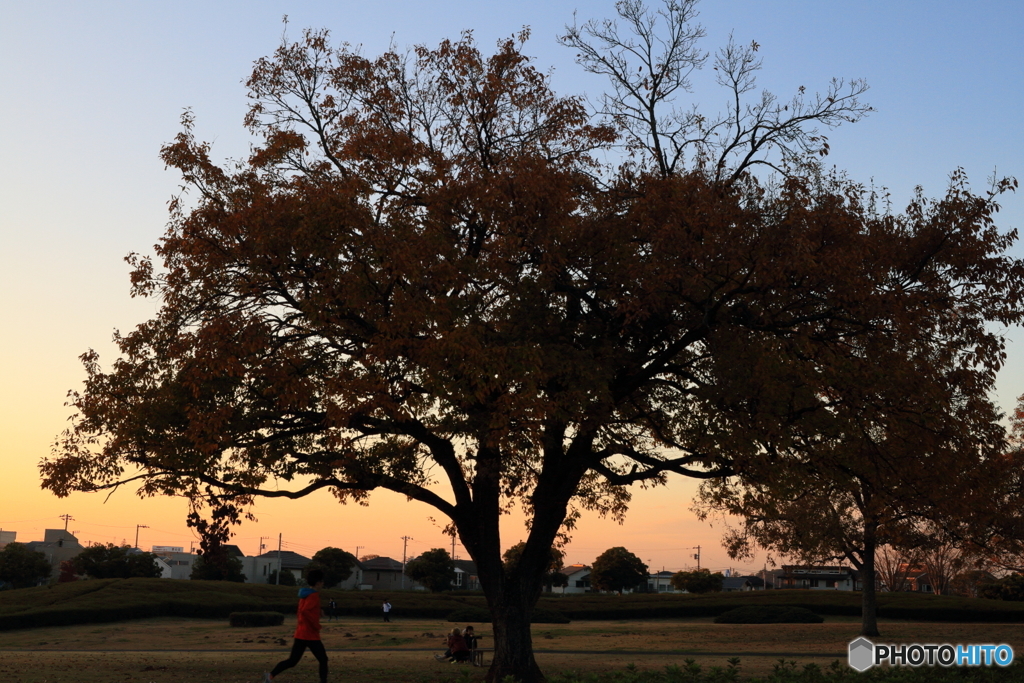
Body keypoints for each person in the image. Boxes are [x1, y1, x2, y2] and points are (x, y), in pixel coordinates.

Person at [264, 569, 328, 683]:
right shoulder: (314, 596)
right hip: (310, 634)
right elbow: (305, 611)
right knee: (323, 659)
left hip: (300, 633)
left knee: (292, 661)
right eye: (322, 581)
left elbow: (302, 611)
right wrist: (316, 625)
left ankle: (271, 675)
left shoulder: (304, 594)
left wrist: (319, 611)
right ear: (318, 582)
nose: (323, 583)